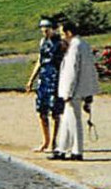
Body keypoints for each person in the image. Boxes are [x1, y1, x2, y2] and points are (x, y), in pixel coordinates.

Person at [53, 19, 99, 162]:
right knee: (67, 119)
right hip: (80, 88)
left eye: (62, 33)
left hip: (74, 89)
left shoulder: (74, 46)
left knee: (74, 120)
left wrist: (68, 91)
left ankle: (77, 150)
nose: (61, 36)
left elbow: (72, 71)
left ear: (69, 33)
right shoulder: (83, 44)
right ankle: (62, 148)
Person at [24, 18, 64, 152]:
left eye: (47, 28)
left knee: (55, 111)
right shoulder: (42, 42)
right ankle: (45, 140)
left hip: (56, 77)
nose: (44, 31)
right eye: (43, 28)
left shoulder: (60, 43)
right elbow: (40, 61)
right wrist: (31, 79)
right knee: (42, 110)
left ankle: (54, 141)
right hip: (44, 77)